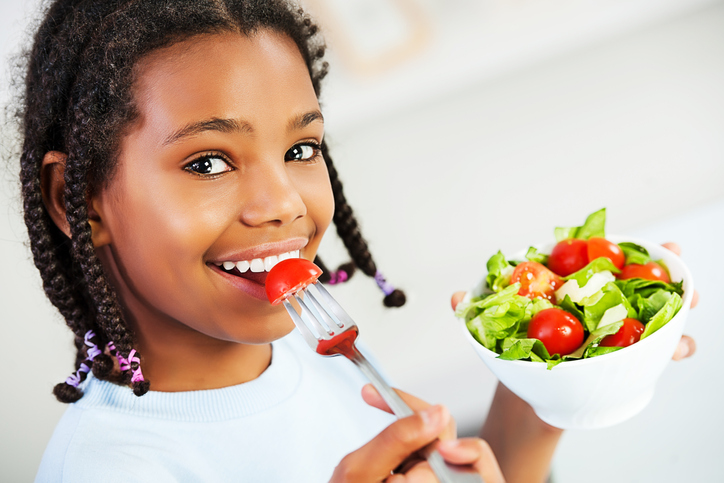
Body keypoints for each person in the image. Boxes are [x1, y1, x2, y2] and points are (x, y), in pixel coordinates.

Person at [14, 1, 697, 482]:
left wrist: (546, 380)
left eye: (301, 147)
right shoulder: (112, 469)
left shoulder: (298, 350)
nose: (282, 202)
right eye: (209, 162)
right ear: (75, 201)